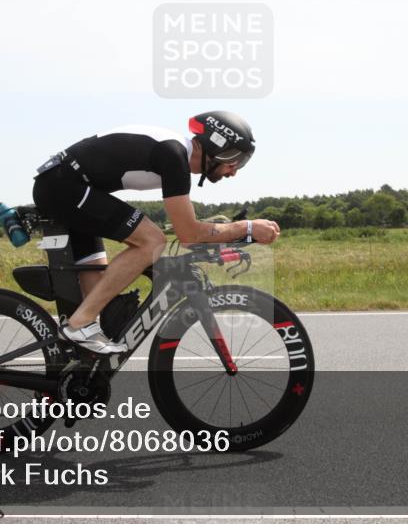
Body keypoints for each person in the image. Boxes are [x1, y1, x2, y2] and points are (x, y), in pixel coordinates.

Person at [32, 111, 281, 354]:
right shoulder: (173, 155)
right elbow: (189, 234)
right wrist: (247, 227)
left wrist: (234, 232)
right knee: (151, 241)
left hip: (66, 186)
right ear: (218, 147)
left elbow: (189, 230)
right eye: (236, 162)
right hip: (63, 185)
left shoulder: (175, 153)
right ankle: (78, 326)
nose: (234, 171)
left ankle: (79, 360)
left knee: (97, 291)